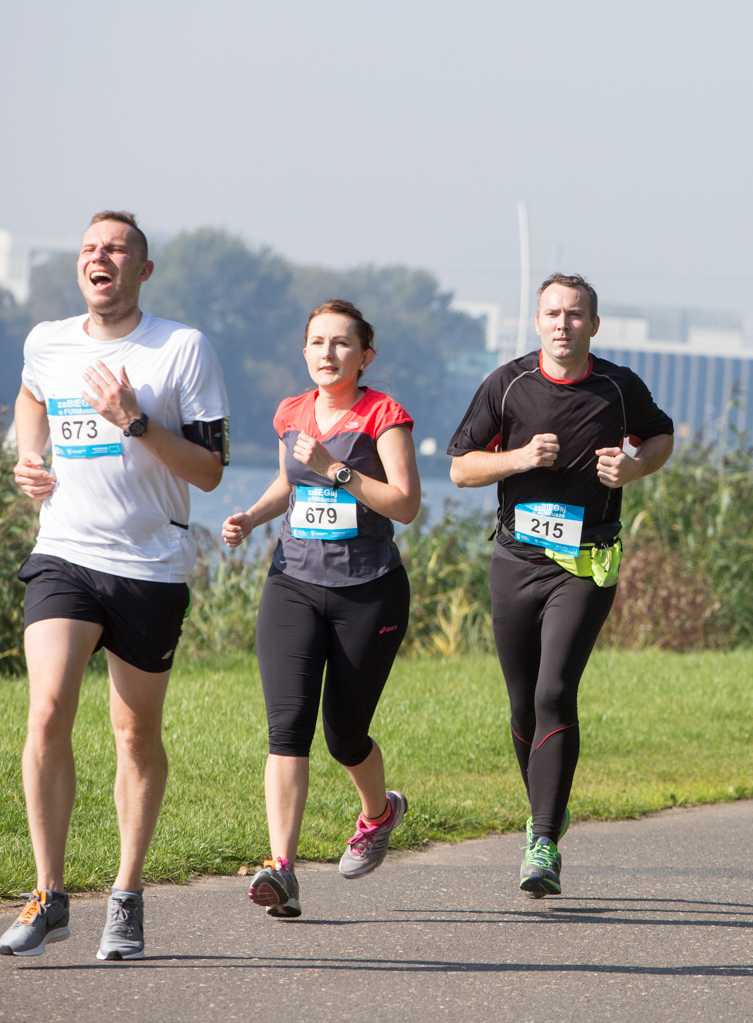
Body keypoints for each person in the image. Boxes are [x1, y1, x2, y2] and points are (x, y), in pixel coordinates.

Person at [4, 211, 228, 960]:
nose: (100, 258)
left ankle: (126, 897)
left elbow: (208, 470)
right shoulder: (48, 340)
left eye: (117, 248)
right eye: (90, 248)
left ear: (143, 269)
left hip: (149, 566)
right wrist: (27, 458)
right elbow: (33, 398)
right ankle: (50, 892)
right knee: (47, 710)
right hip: (64, 552)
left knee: (135, 733)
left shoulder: (181, 348)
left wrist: (134, 421)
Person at [448, 273, 674, 898]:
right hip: (516, 560)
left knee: (554, 689)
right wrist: (518, 458)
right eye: (552, 313)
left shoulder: (619, 387)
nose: (563, 324)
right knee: (522, 701)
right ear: (538, 321)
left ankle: (542, 839)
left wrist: (635, 466)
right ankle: (546, 809)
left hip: (585, 562)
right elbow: (462, 468)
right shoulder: (508, 384)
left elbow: (662, 437)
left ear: (594, 326)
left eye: (575, 315)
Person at [220, 301, 420, 917]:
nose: (327, 354)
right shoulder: (291, 412)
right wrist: (252, 517)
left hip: (368, 590)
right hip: (293, 584)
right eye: (316, 342)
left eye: (341, 344)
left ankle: (379, 812)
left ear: (365, 356)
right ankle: (281, 868)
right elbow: (290, 483)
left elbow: (405, 504)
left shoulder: (384, 416)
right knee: (287, 730)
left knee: (344, 735)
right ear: (304, 351)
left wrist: (336, 470)